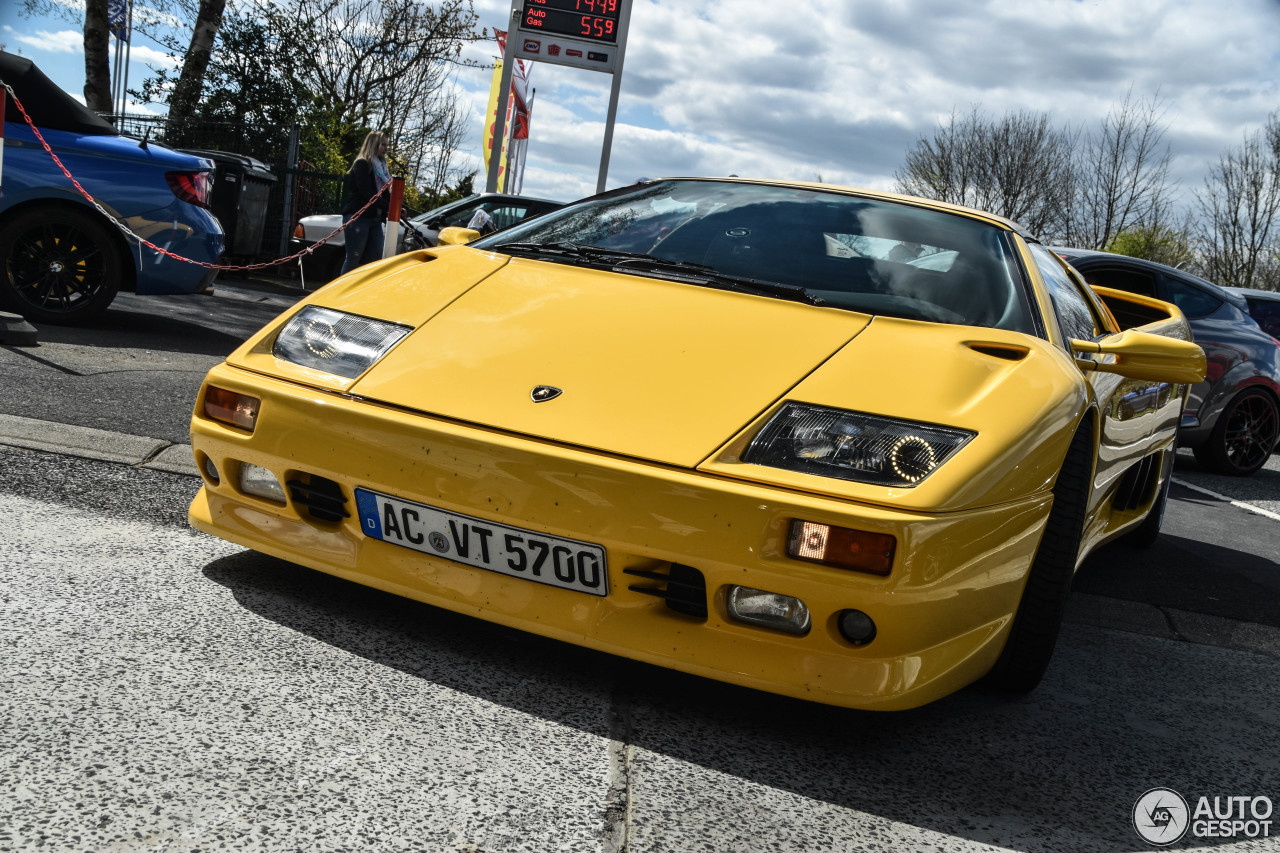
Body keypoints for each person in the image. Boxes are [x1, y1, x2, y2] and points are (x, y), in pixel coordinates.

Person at [339, 131, 392, 275]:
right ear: (373, 144)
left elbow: (385, 193)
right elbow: (368, 193)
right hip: (358, 217)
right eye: (383, 144)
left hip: (374, 219)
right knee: (353, 258)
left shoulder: (381, 168)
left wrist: (398, 207)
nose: (386, 148)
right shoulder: (362, 164)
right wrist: (389, 206)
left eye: (387, 145)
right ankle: (341, 292)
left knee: (376, 260)